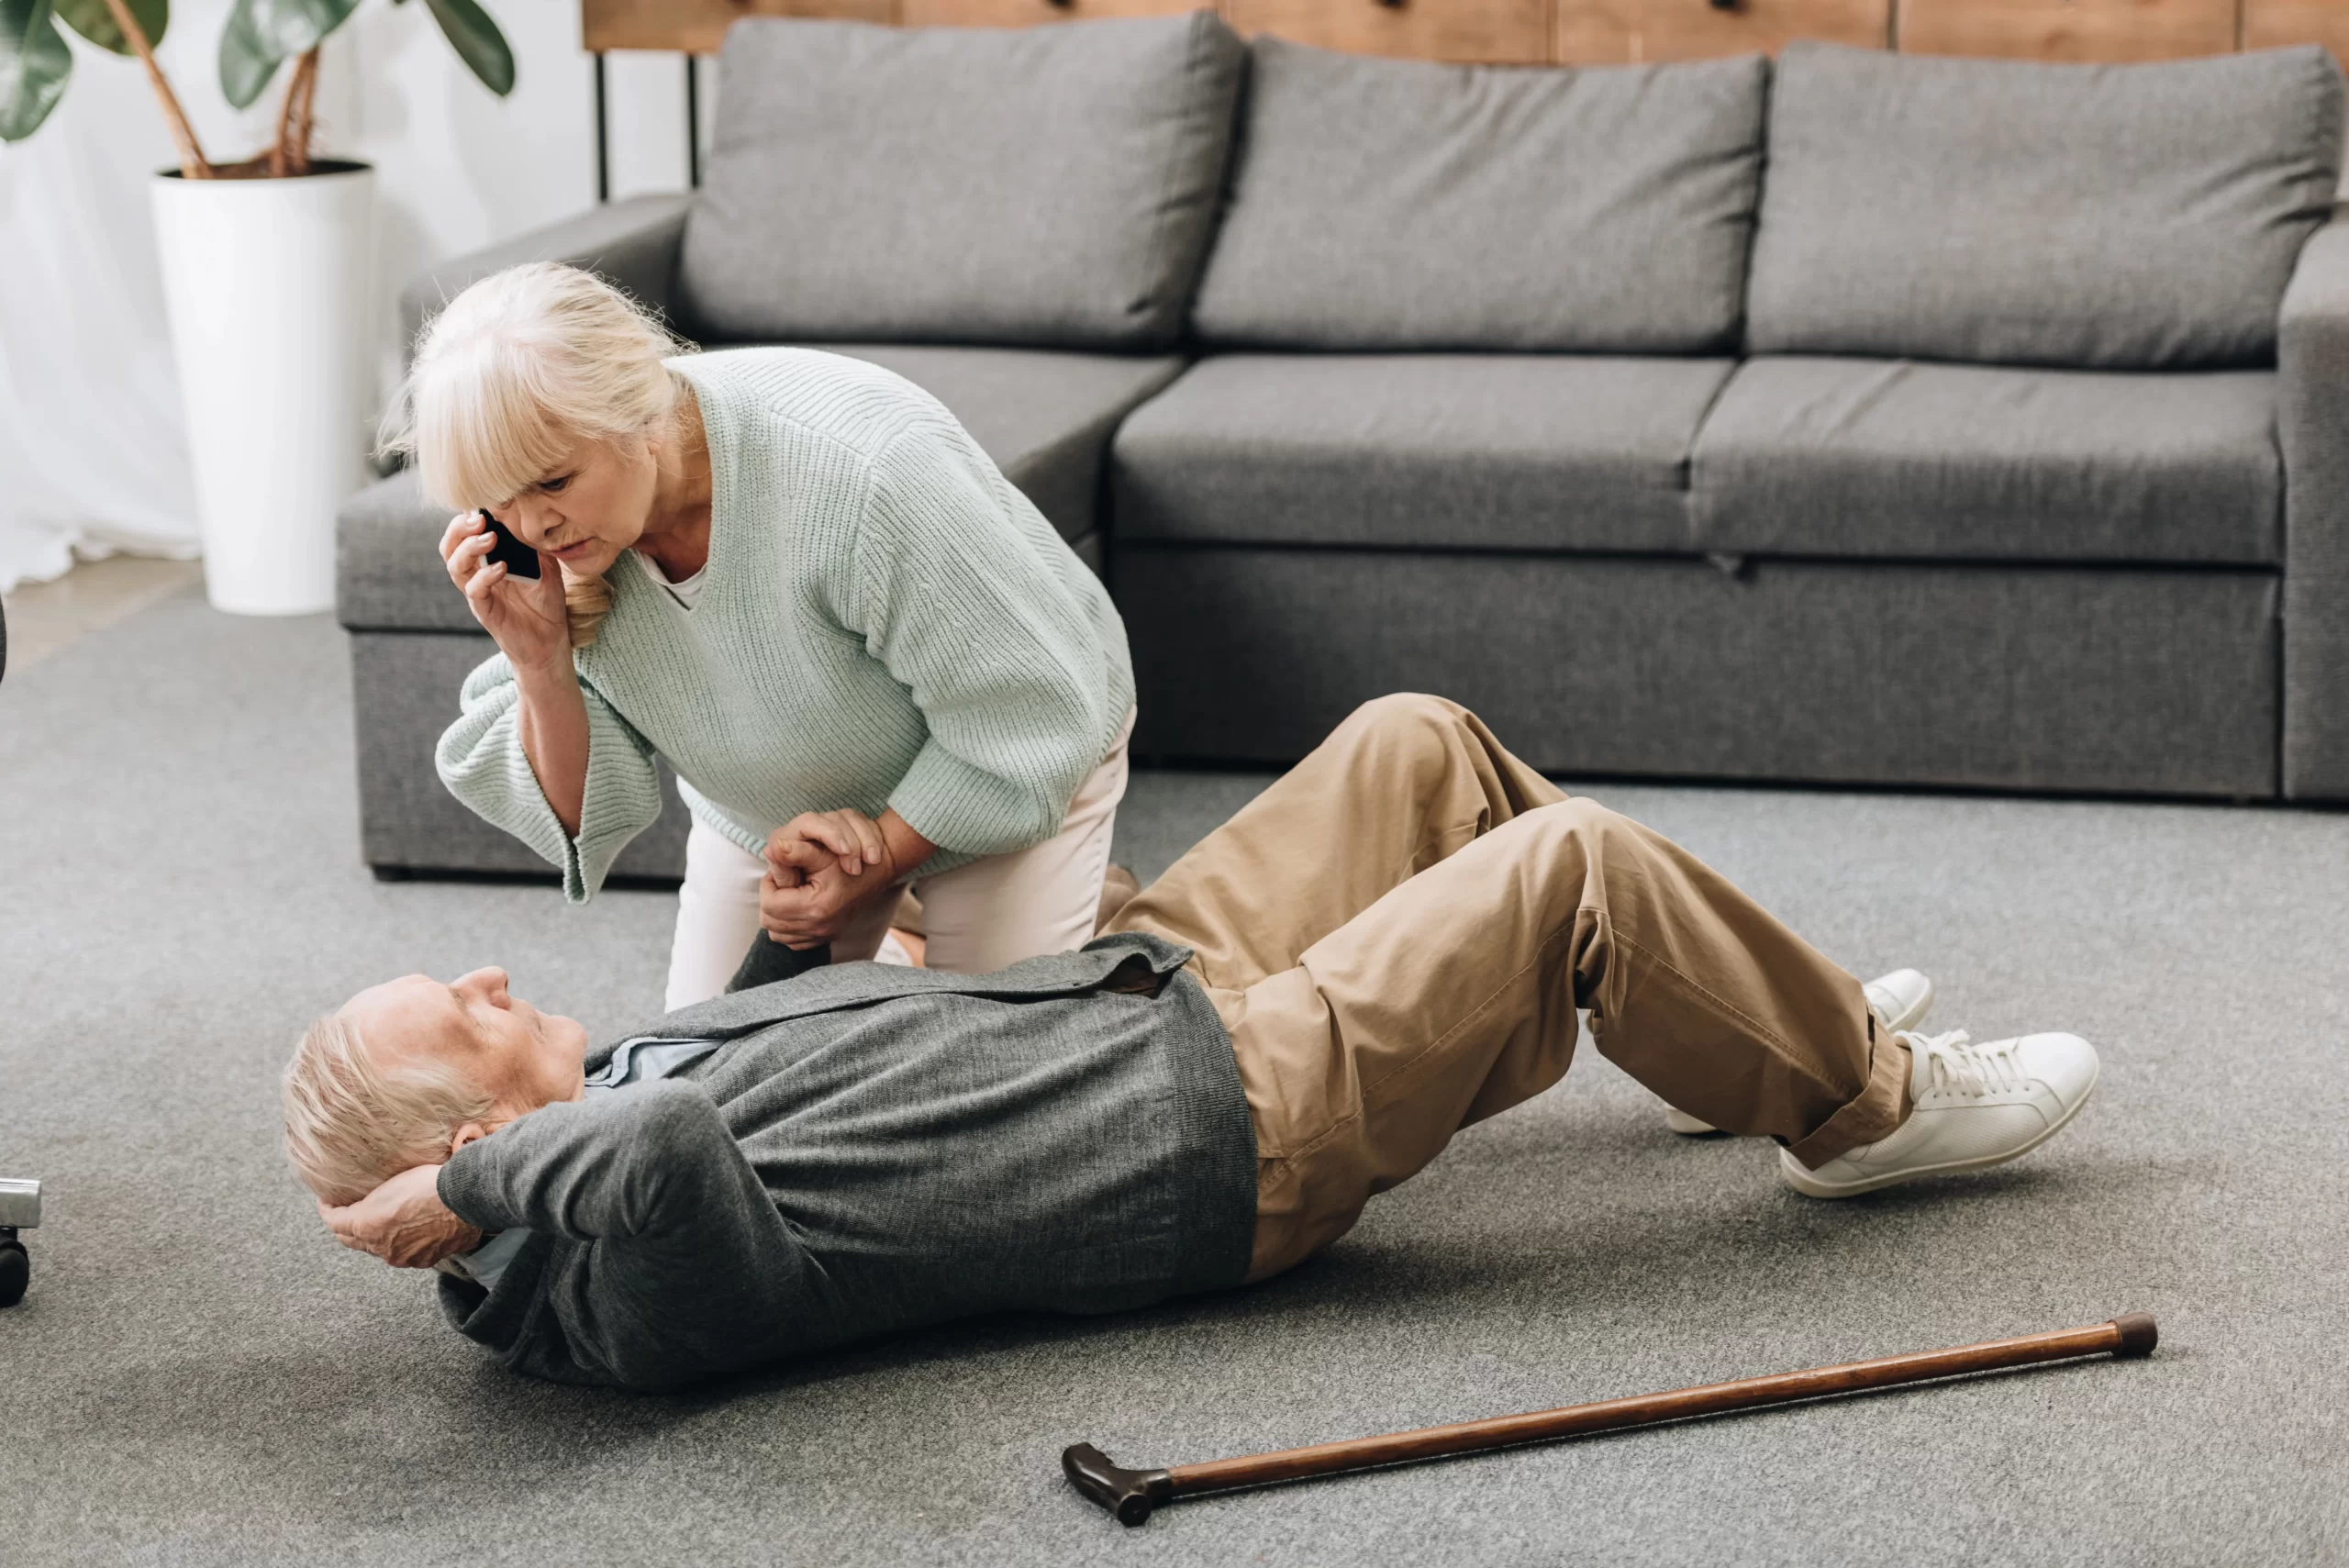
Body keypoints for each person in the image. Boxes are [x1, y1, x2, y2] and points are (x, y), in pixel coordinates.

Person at [292, 695, 2100, 1393]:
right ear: (454, 1135)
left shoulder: (600, 1102)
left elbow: (783, 1079)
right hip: (1202, 1119)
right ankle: (1861, 1105)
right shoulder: (598, 1284)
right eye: (453, 1018)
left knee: (1418, 745)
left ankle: (1763, 1015)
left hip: (1125, 991)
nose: (480, 973)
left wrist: (834, 920)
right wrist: (464, 1183)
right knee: (1571, 864)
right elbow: (687, 1166)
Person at [384, 262, 1135, 1008]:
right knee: (703, 1088)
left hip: (1010, 753)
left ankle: (1022, 925)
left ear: (642, 418)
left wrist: (879, 859)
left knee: (982, 1089)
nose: (530, 526)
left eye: (552, 483)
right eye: (497, 497)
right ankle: (903, 950)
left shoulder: (863, 471)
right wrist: (538, 659)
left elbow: (1026, 712)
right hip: (771, 814)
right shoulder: (556, 543)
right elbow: (586, 815)